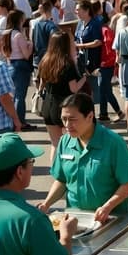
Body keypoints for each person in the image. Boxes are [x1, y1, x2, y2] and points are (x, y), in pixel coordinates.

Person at [38, 93, 128, 223]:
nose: (67, 125)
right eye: (64, 119)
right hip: (75, 219)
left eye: (72, 119)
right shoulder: (65, 141)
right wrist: (46, 204)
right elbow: (61, 180)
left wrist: (108, 206)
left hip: (111, 218)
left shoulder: (114, 143)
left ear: (90, 116)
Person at [36, 31, 89, 161]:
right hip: (65, 106)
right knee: (71, 142)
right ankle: (68, 172)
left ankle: (55, 172)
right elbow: (74, 89)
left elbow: (41, 84)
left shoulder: (45, 61)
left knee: (55, 143)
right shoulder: (67, 64)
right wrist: (84, 78)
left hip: (48, 105)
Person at [2, 9, 34, 130]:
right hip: (21, 65)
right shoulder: (18, 35)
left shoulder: (5, 33)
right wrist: (30, 45)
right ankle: (20, 121)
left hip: (10, 64)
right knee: (20, 96)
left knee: (14, 95)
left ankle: (14, 119)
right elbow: (26, 55)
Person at [97, 11, 125, 124]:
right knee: (102, 89)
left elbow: (109, 49)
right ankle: (103, 113)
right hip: (105, 63)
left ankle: (119, 112)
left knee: (106, 89)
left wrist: (107, 61)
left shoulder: (105, 31)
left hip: (105, 64)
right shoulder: (107, 30)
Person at [31, 0, 58, 69]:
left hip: (38, 59)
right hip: (49, 59)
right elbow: (55, 42)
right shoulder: (51, 26)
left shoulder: (36, 24)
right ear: (51, 9)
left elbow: (32, 40)